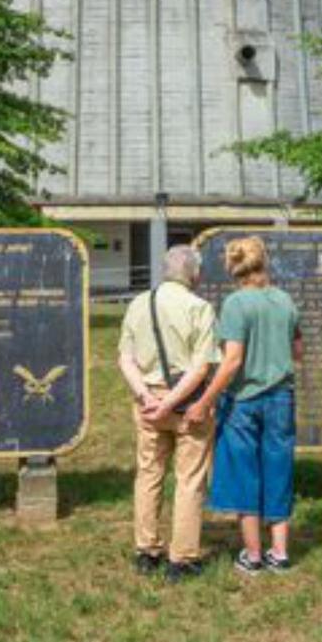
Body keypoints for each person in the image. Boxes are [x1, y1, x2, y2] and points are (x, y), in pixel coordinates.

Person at [187, 236, 302, 575]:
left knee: (243, 474)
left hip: (242, 403)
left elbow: (232, 360)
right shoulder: (285, 300)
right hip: (282, 398)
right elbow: (298, 353)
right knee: (278, 469)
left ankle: (252, 556)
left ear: (233, 267)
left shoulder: (237, 304)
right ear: (264, 262)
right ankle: (280, 553)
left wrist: (204, 401)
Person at [117, 244, 218, 582]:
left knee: (148, 473)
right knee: (189, 480)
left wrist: (147, 396)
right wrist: (170, 401)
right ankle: (183, 558)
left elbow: (125, 359)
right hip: (188, 404)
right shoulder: (200, 308)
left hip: (147, 403)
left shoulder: (137, 303)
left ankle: (147, 550)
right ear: (194, 273)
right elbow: (201, 366)